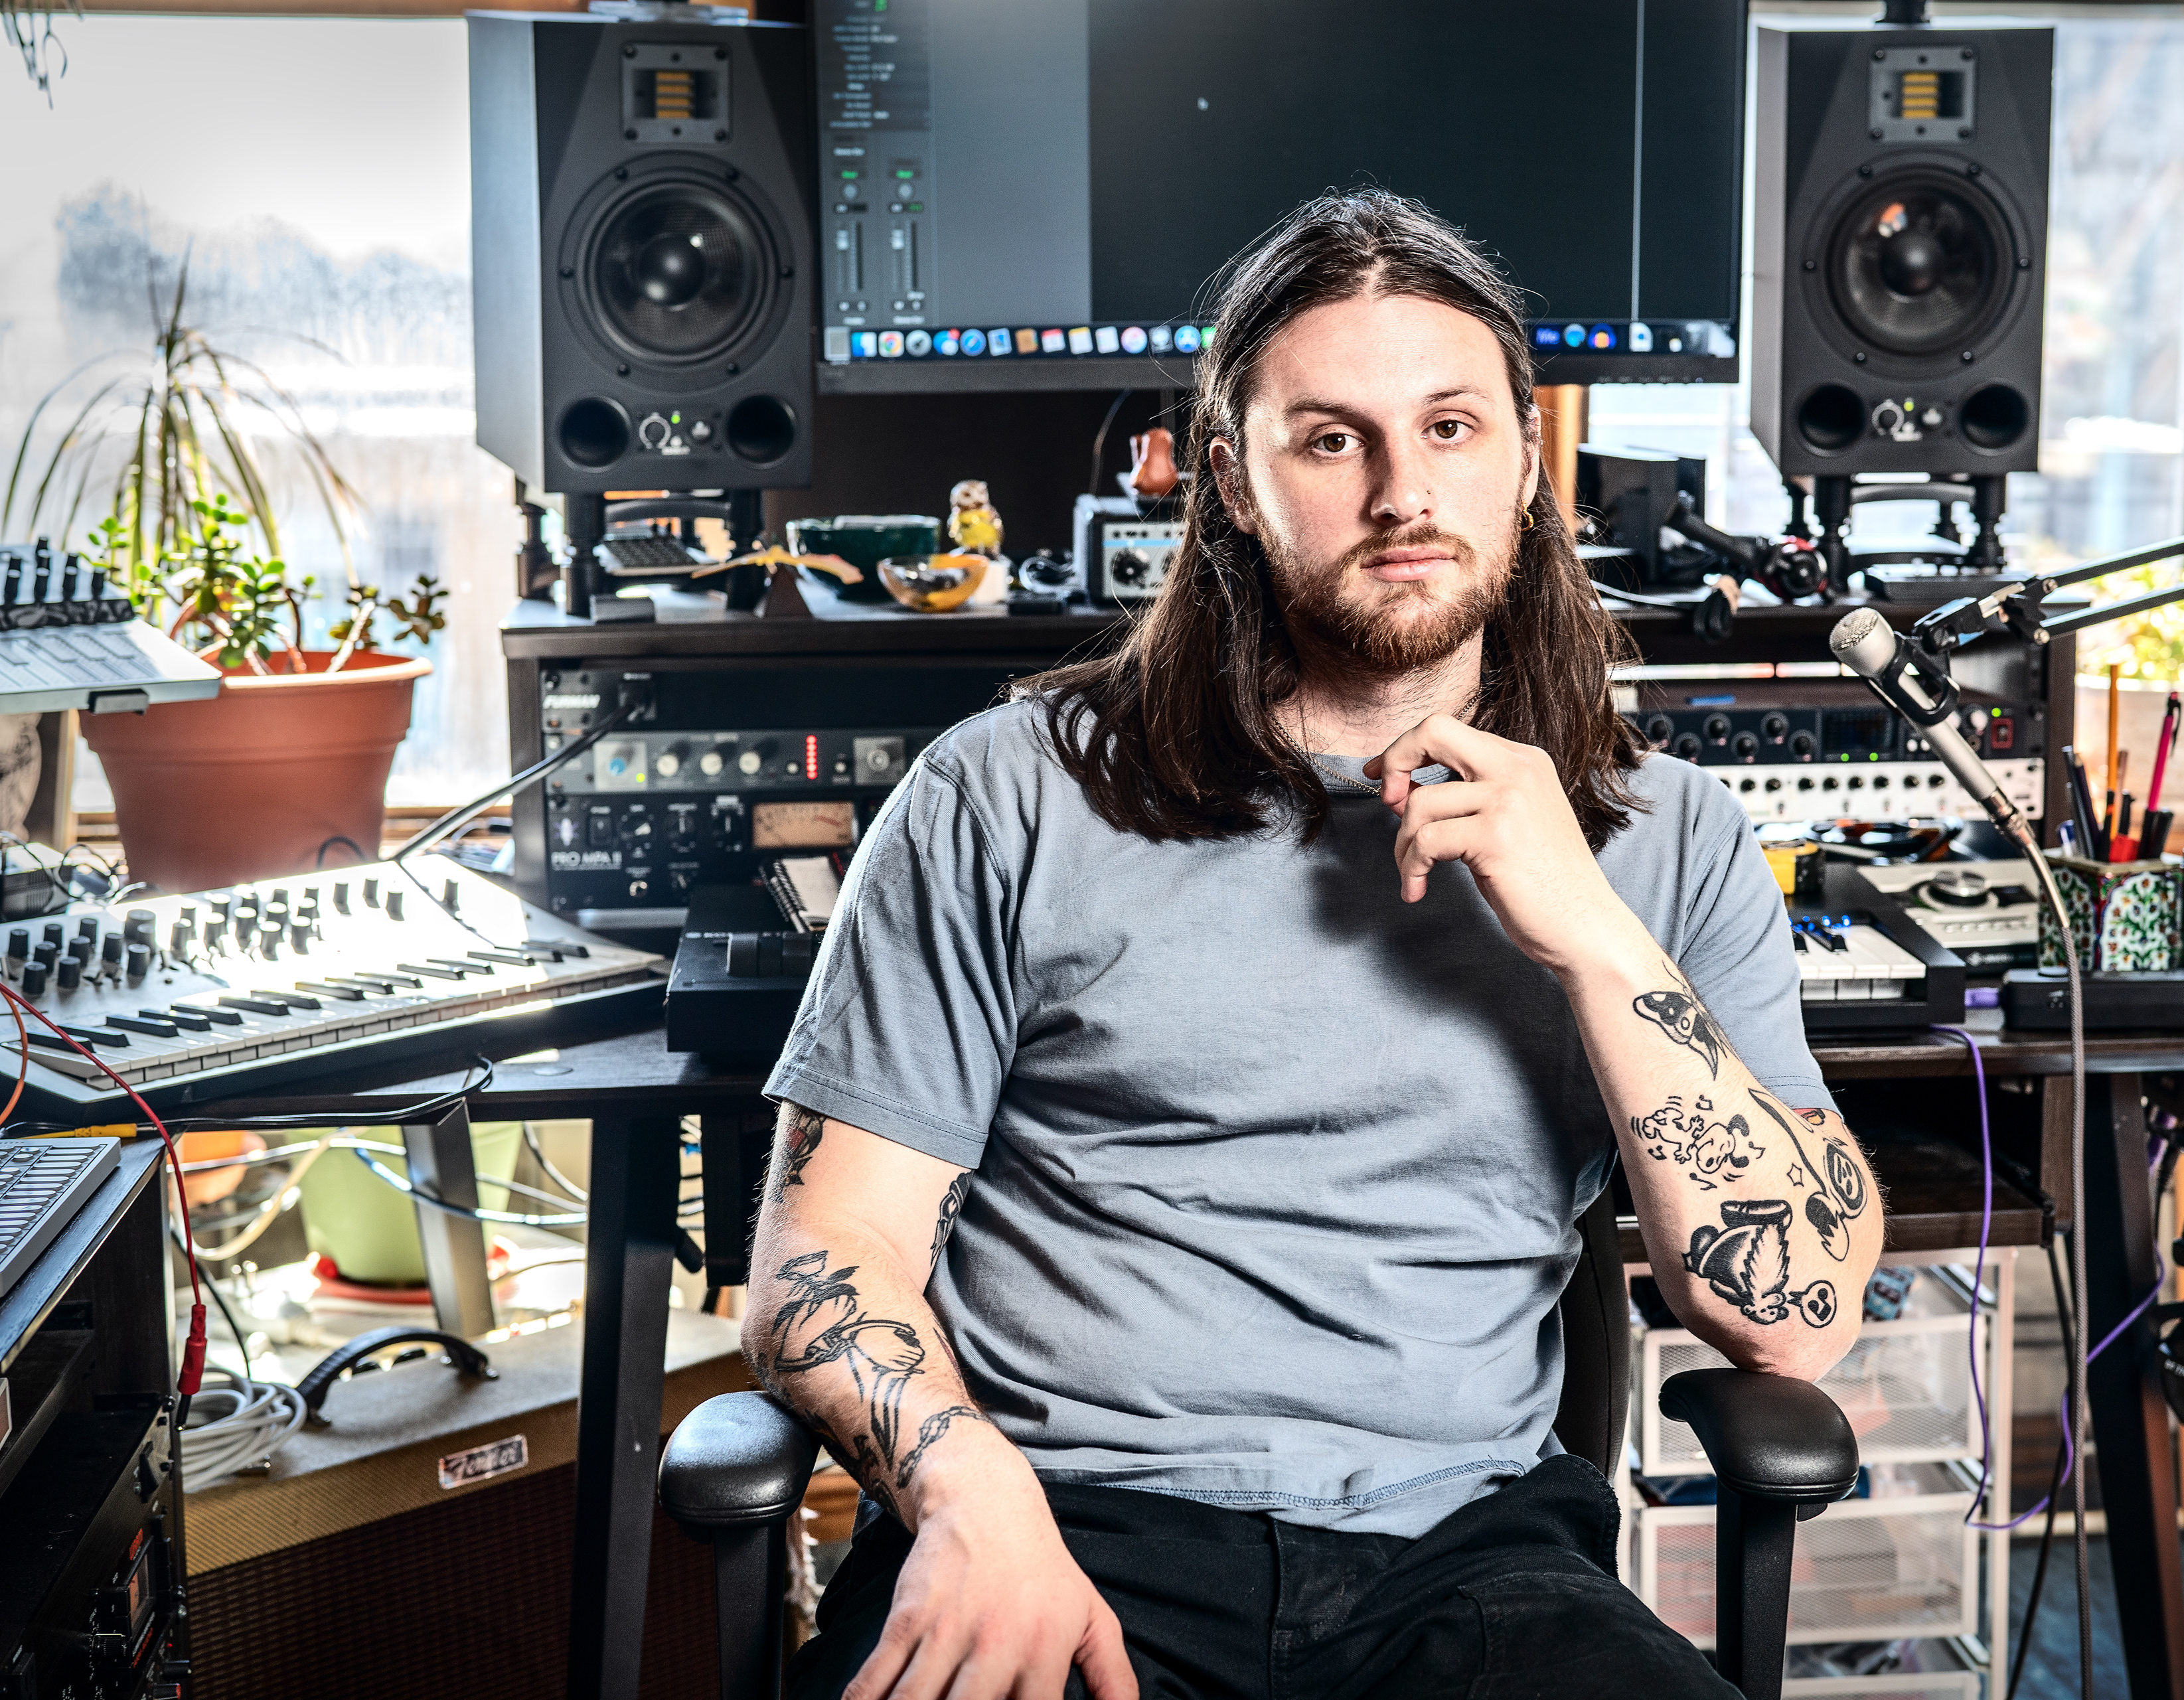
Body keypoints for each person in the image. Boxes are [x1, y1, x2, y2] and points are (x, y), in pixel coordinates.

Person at [749, 189, 1883, 1700]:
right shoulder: (1005, 794)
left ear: (1526, 458)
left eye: (1452, 428)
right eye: (1333, 440)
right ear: (1231, 479)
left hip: (1469, 1561)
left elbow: (1793, 1321)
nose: (1405, 492)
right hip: (1064, 1532)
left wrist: (1597, 940)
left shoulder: (1670, 834)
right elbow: (827, 1253)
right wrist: (972, 1498)